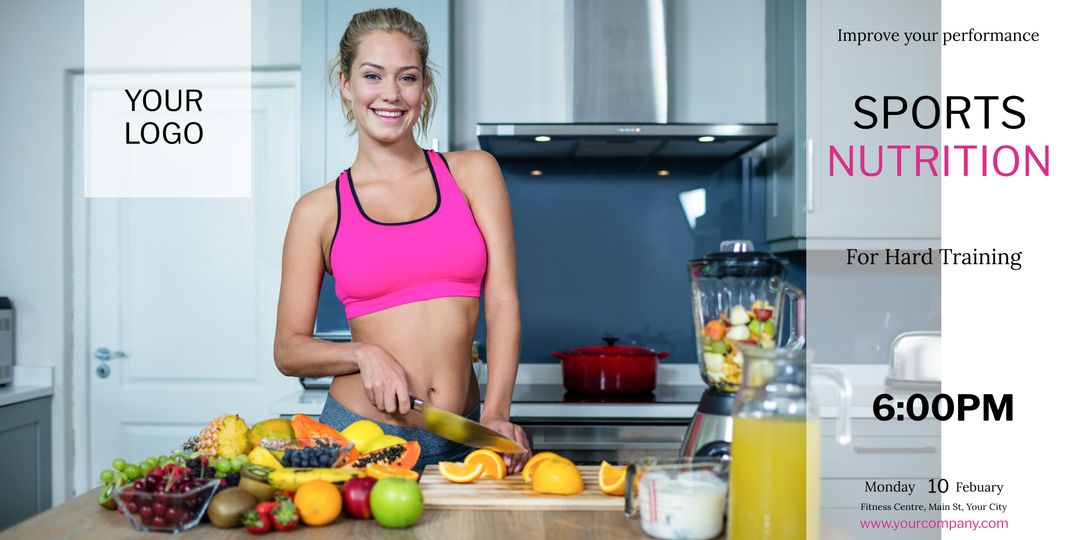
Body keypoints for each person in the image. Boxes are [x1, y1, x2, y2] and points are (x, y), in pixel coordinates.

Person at [273, 8, 531, 472]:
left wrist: (497, 411)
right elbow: (288, 351)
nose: (390, 94)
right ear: (346, 84)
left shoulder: (474, 173)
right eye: (373, 75)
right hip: (360, 437)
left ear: (424, 86)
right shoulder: (317, 211)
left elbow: (503, 303)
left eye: (406, 77)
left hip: (466, 430)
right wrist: (362, 353)